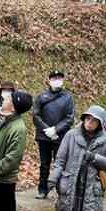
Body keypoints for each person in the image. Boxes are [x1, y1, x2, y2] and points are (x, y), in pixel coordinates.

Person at [48, 106, 106, 211]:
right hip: (71, 182)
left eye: (94, 121)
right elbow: (60, 160)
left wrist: (94, 157)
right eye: (87, 118)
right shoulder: (71, 135)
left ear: (100, 123)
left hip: (91, 185)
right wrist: (53, 179)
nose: (89, 123)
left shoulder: (105, 140)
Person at [33, 70, 75, 199]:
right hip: (44, 136)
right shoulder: (41, 96)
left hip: (60, 136)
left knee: (60, 164)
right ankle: (42, 189)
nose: (57, 80)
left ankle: (59, 189)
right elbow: (36, 115)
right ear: (49, 80)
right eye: (54, 78)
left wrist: (56, 129)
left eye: (59, 78)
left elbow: (70, 117)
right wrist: (47, 130)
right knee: (44, 164)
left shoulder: (68, 97)